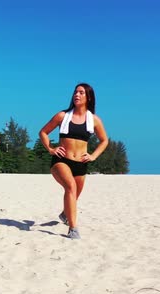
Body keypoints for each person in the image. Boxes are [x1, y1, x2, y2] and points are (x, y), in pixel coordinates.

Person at [38, 83, 108, 239]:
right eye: (75, 92)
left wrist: (94, 156)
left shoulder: (94, 120)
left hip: (81, 164)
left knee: (74, 193)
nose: (77, 95)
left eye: (81, 92)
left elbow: (104, 140)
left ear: (88, 97)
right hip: (61, 160)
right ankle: (73, 228)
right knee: (70, 187)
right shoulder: (62, 116)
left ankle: (65, 214)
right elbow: (43, 132)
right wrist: (51, 149)